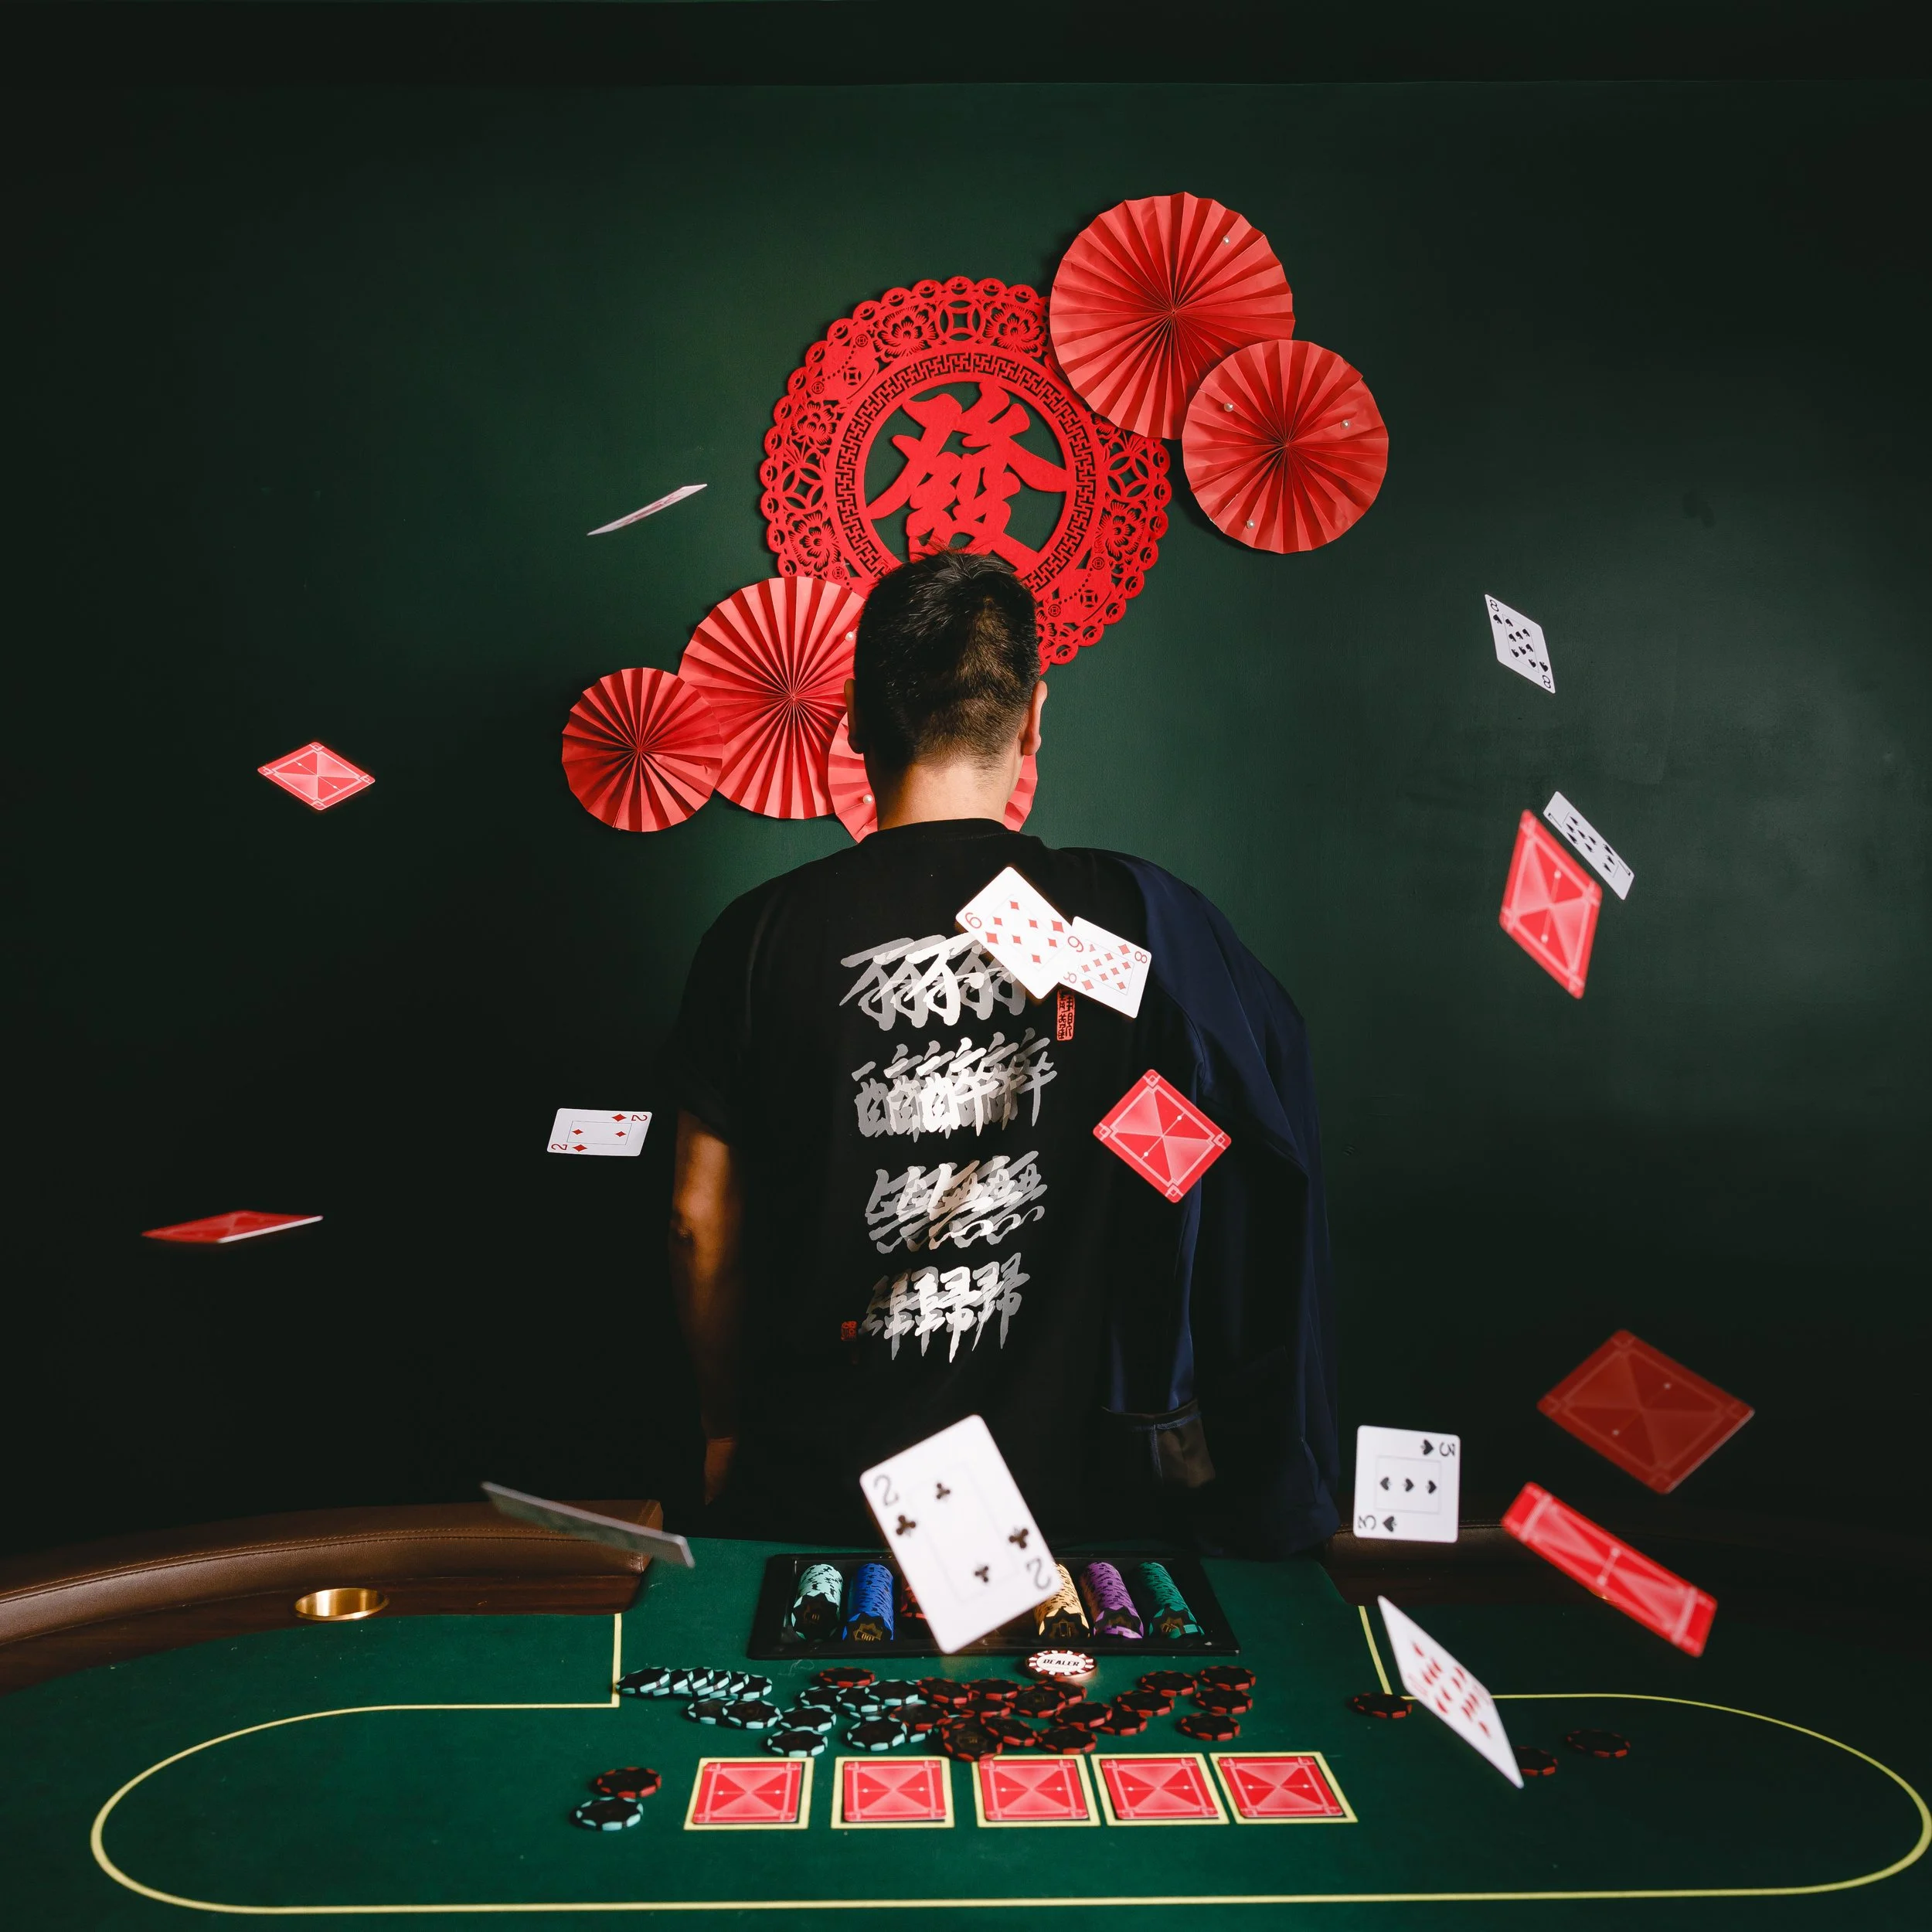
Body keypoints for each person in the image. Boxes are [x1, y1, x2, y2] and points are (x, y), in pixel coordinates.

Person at [664, 550, 1338, 1556]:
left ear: (854, 718)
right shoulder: (1141, 925)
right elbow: (1258, 1144)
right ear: (1032, 721)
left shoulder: (755, 936)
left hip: (819, 1495)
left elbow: (697, 1221)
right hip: (1074, 1514)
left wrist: (722, 1427)